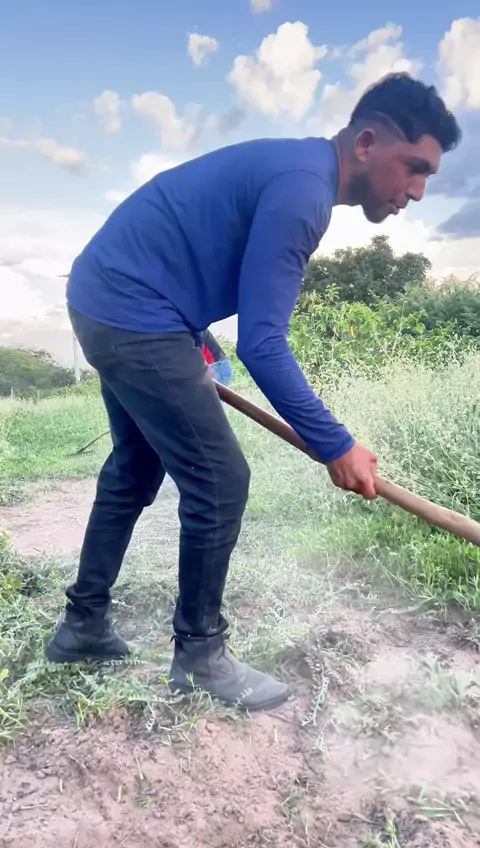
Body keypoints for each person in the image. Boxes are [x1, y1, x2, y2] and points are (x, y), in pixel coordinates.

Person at [46, 73, 460, 711]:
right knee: (220, 480)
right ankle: (200, 655)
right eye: (414, 168)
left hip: (112, 299)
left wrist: (196, 343)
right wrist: (336, 444)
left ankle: (82, 626)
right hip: (132, 309)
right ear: (367, 144)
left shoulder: (296, 171)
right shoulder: (302, 192)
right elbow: (263, 344)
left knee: (134, 469)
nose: (418, 190)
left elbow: (185, 253)